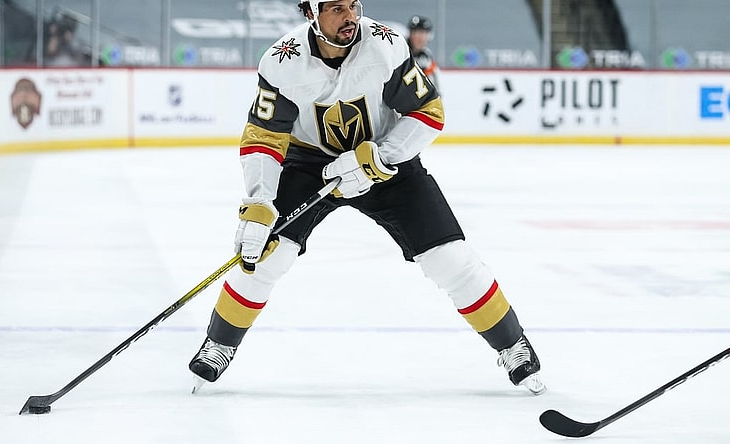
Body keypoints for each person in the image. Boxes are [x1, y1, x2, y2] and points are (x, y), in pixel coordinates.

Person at [189, 0, 546, 395]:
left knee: (450, 258)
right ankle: (220, 343)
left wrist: (381, 158)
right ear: (311, 13)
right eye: (337, 8)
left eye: (354, 6)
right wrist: (258, 204)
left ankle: (513, 344)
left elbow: (429, 112)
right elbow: (264, 136)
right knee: (266, 254)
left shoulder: (385, 44)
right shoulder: (281, 60)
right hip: (308, 165)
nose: (350, 17)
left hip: (384, 158)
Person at [406, 15, 440, 90]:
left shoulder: (427, 56)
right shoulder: (402, 53)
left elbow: (433, 83)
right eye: (418, 33)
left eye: (424, 33)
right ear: (410, 34)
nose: (422, 38)